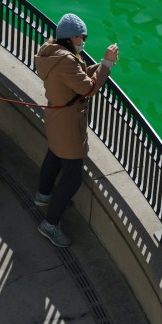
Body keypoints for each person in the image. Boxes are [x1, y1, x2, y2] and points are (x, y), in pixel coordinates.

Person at [34, 13, 120, 247]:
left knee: (53, 155)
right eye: (83, 37)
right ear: (73, 37)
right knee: (72, 178)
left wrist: (100, 66)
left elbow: (76, 76)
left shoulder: (51, 53)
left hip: (55, 117)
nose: (84, 40)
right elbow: (87, 88)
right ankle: (50, 225)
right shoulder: (67, 61)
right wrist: (108, 64)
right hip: (69, 124)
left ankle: (43, 195)